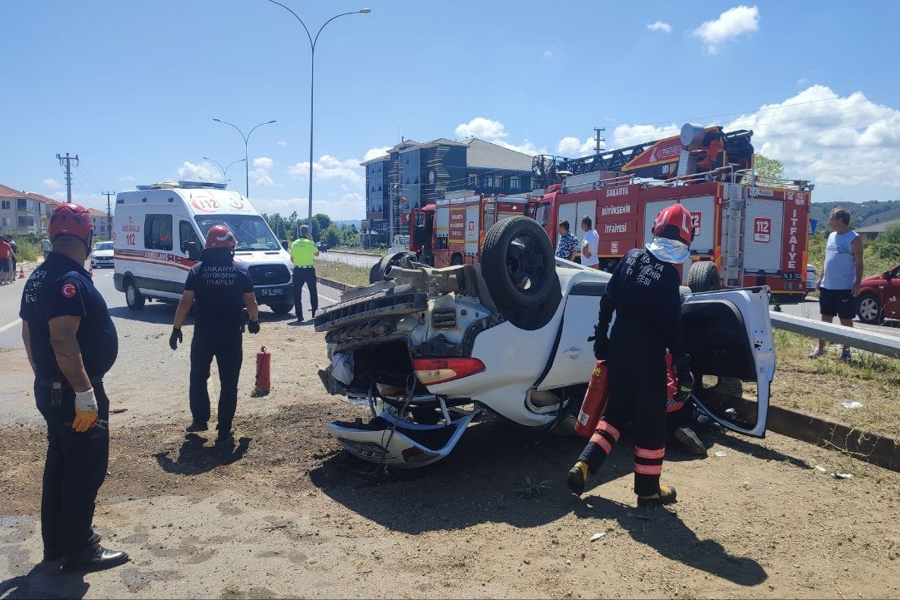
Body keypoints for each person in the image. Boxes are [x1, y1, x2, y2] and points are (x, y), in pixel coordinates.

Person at [19, 203, 129, 572]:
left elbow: (29, 334)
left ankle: (57, 545)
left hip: (53, 389)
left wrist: (44, 377)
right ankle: (81, 548)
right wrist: (83, 394)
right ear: (88, 237)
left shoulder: (38, 276)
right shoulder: (69, 279)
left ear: (52, 236)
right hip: (74, 394)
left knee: (60, 467)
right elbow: (62, 340)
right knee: (83, 470)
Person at [567, 202, 695, 506]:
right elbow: (672, 329)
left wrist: (601, 338)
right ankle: (648, 490)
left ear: (655, 229)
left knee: (616, 414)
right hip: (647, 358)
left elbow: (607, 301)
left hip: (618, 348)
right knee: (652, 423)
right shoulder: (668, 277)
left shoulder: (630, 258)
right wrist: (682, 365)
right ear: (685, 240)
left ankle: (584, 464)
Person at [170, 225, 260, 444]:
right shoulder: (240, 270)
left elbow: (185, 304)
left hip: (204, 334)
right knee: (229, 383)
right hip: (230, 335)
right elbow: (252, 302)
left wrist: (176, 329)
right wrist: (254, 321)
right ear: (230, 246)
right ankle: (224, 429)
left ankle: (200, 420)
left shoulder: (197, 271)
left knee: (198, 376)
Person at [811, 207, 863, 362]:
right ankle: (820, 348)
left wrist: (857, 283)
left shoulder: (854, 238)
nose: (829, 222)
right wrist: (821, 278)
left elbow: (860, 263)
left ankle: (846, 352)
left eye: (831, 218)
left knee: (845, 320)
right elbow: (827, 260)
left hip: (845, 287)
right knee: (825, 317)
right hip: (828, 286)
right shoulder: (831, 236)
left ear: (840, 220)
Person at [290, 224, 320, 323]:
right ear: (307, 232)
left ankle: (299, 316)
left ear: (300, 232)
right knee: (313, 292)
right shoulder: (310, 243)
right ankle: (314, 313)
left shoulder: (294, 243)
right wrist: (312, 240)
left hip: (298, 270)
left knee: (297, 294)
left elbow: (292, 259)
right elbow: (317, 254)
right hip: (309, 270)